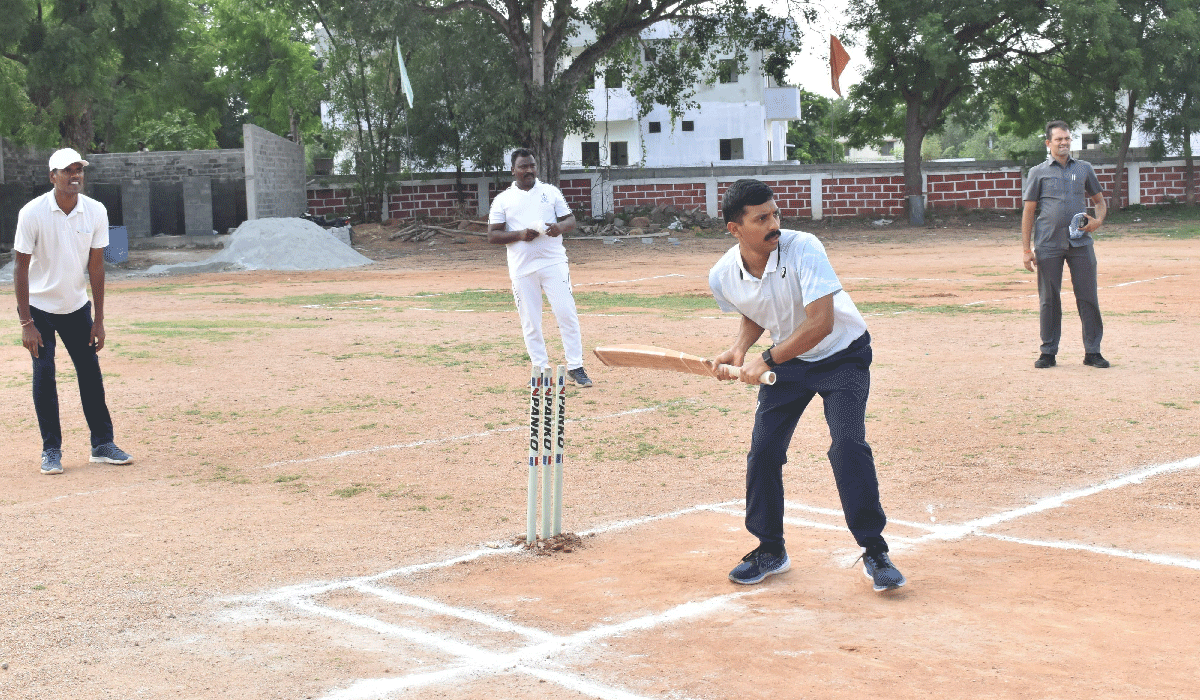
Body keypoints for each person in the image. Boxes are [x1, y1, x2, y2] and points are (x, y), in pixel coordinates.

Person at [708, 178, 904, 592]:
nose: (774, 223)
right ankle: (769, 549)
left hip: (842, 356)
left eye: (775, 213)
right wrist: (740, 348)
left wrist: (765, 358)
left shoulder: (804, 247)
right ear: (735, 229)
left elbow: (821, 322)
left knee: (848, 445)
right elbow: (756, 307)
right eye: (761, 218)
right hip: (790, 362)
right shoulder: (723, 276)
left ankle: (874, 550)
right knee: (763, 452)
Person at [13, 148, 133, 475]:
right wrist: (26, 322)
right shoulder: (32, 213)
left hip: (76, 306)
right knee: (44, 373)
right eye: (67, 170)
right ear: (52, 176)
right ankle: (51, 450)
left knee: (90, 372)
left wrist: (99, 319)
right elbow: (20, 268)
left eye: (79, 169)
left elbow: (96, 266)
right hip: (38, 308)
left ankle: (102, 444)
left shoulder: (95, 211)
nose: (74, 175)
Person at [488, 148, 592, 387]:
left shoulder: (550, 192)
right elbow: (492, 235)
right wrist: (520, 234)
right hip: (522, 268)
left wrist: (559, 227)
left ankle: (576, 366)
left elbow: (571, 220)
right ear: (513, 170)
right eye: (523, 166)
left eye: (532, 166)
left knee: (567, 314)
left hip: (553, 262)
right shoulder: (503, 199)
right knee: (531, 321)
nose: (529, 170)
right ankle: (541, 370)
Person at [1022, 120, 1109, 369]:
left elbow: (1100, 201)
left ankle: (1092, 351)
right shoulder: (1038, 172)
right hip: (1048, 243)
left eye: (1067, 139)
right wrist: (1027, 250)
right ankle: (1048, 352)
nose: (1064, 143)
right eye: (1059, 139)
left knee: (1088, 297)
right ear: (1048, 143)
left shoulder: (1084, 169)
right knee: (1049, 299)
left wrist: (1098, 221)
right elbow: (1029, 212)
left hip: (1081, 243)